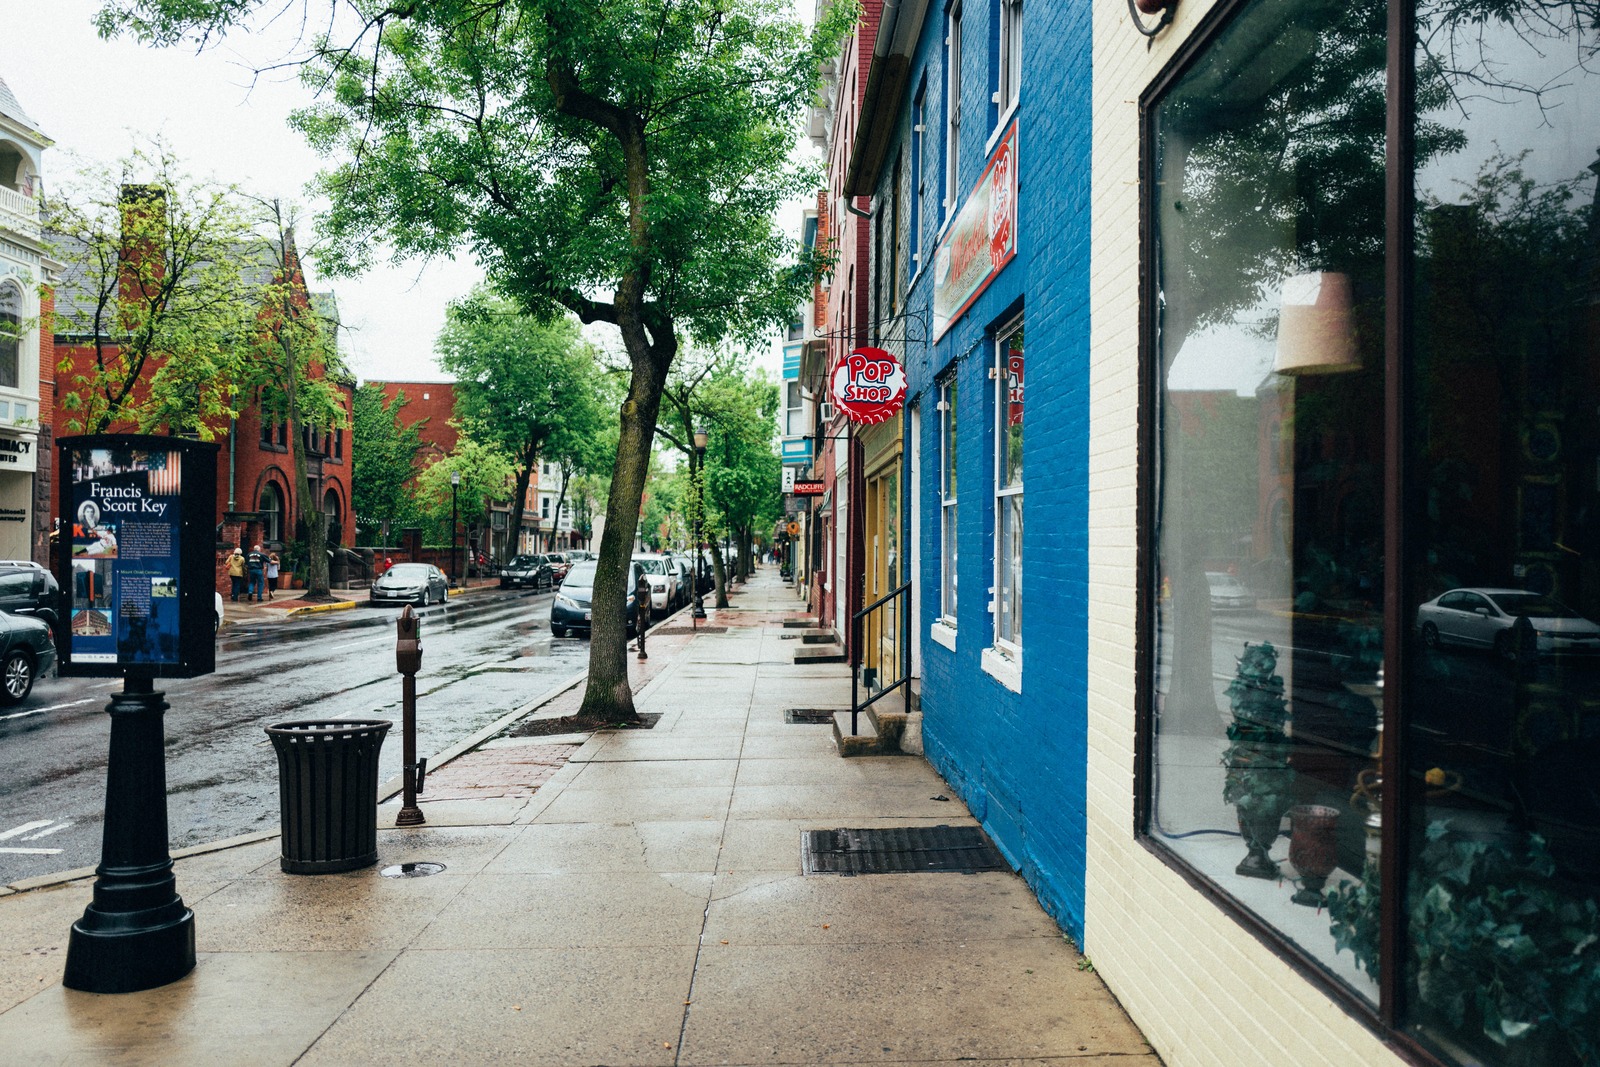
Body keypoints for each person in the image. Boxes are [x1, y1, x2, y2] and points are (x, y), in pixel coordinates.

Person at [633, 567, 652, 660]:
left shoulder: (646, 585)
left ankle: (642, 650)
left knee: (642, 623)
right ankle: (642, 649)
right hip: (641, 603)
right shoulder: (641, 585)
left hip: (643, 603)